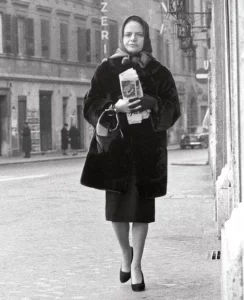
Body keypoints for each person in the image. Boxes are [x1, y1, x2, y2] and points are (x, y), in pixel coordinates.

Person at [81, 15, 180, 292]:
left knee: (141, 212)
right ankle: (125, 253)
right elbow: (90, 104)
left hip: (148, 153)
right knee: (117, 212)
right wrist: (114, 108)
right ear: (121, 38)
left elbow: (174, 107)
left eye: (138, 34)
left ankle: (136, 265)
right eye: (127, 34)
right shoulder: (106, 69)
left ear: (145, 38)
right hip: (116, 150)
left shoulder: (159, 72)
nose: (132, 39)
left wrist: (155, 103)